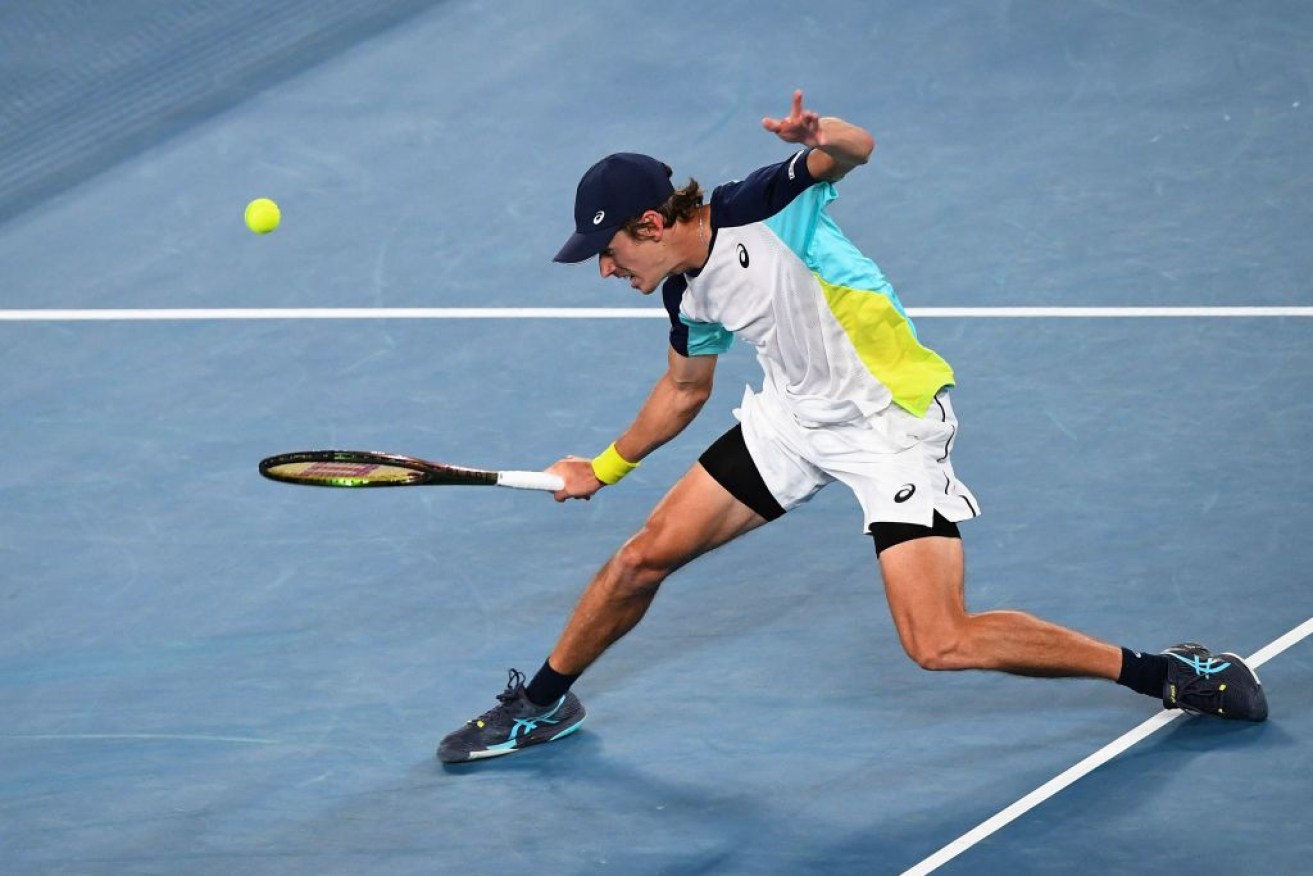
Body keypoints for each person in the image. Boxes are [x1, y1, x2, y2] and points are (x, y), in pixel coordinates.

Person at [436, 90, 1267, 764]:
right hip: (793, 421)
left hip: (889, 427)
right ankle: (541, 706)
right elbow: (683, 390)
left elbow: (853, 149)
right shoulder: (683, 290)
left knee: (937, 643)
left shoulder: (766, 204)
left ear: (651, 223)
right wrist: (604, 468)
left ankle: (1166, 671)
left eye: (609, 251)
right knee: (638, 559)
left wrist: (820, 135)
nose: (608, 269)